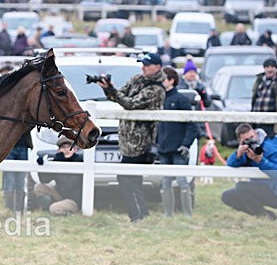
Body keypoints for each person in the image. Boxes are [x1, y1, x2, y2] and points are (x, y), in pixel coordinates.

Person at [97, 52, 165, 222]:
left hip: (141, 142)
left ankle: (137, 214)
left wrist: (112, 91)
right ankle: (140, 213)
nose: (143, 67)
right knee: (130, 178)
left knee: (127, 178)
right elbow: (119, 95)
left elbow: (130, 104)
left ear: (157, 67)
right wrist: (108, 88)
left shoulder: (156, 90)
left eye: (147, 65)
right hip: (126, 139)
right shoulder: (136, 79)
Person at [221, 123, 277, 220]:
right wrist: (238, 154)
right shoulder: (247, 149)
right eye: (247, 140)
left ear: (256, 133)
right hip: (258, 189)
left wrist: (260, 161)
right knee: (227, 196)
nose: (251, 141)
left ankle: (262, 216)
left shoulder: (271, 147)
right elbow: (230, 164)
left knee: (241, 186)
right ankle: (266, 214)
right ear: (240, 141)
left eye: (252, 137)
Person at [158, 67, 197, 217]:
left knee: (182, 181)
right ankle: (168, 213)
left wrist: (185, 144)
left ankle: (187, 213)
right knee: (165, 182)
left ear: (171, 81)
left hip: (178, 149)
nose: (161, 82)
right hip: (164, 148)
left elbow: (192, 125)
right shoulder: (160, 99)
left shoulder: (181, 100)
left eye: (163, 78)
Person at [34, 138, 83, 216]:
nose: (67, 150)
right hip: (61, 195)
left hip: (74, 199)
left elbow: (70, 185)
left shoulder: (80, 162)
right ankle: (45, 210)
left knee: (54, 209)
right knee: (39, 187)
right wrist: (41, 167)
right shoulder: (57, 161)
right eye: (63, 147)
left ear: (75, 149)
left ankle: (72, 214)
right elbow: (44, 180)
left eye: (69, 147)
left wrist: (64, 161)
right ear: (59, 150)